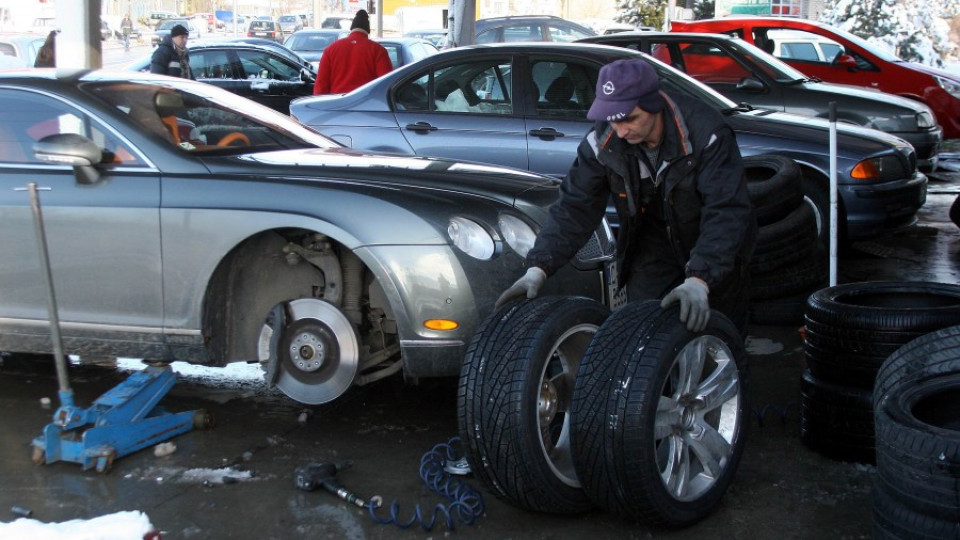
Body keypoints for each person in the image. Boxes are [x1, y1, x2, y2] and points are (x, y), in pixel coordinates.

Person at [496, 58, 757, 336]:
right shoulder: (603, 142)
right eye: (612, 118)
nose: (620, 130)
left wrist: (700, 279)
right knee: (643, 332)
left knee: (718, 333)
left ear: (653, 104)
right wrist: (539, 267)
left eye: (629, 119)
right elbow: (574, 208)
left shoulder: (708, 136)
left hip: (713, 247)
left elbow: (726, 211)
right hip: (651, 245)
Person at [312, 10, 392, 95]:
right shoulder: (378, 50)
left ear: (352, 29)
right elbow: (386, 84)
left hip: (336, 104)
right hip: (367, 104)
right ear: (368, 31)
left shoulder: (330, 49)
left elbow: (321, 85)